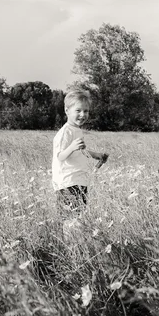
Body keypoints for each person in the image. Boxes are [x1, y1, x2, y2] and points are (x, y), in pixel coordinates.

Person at [52, 90, 108, 220]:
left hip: (79, 181)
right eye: (78, 110)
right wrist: (71, 147)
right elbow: (60, 156)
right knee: (70, 219)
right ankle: (70, 240)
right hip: (68, 183)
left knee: (79, 218)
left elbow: (79, 151)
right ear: (67, 111)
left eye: (86, 111)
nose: (82, 115)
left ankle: (75, 240)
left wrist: (96, 155)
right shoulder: (65, 132)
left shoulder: (76, 130)